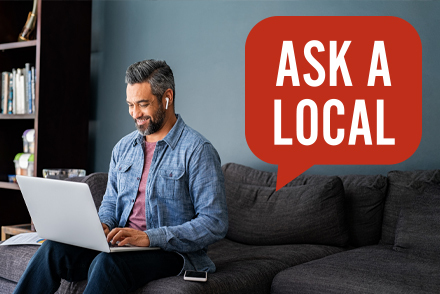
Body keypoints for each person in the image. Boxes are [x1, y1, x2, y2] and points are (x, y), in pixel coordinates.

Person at [13, 59, 228, 294]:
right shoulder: (123, 148)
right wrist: (103, 225)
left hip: (171, 253)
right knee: (53, 249)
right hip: (122, 245)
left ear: (167, 97)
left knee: (108, 264)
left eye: (143, 104)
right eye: (130, 104)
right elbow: (111, 202)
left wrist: (149, 238)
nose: (135, 114)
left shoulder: (197, 150)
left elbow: (214, 222)